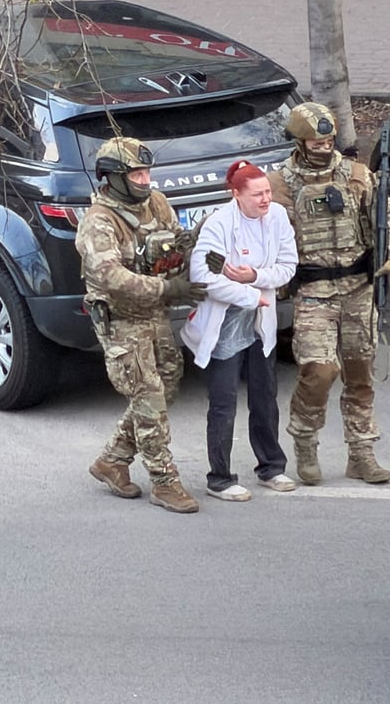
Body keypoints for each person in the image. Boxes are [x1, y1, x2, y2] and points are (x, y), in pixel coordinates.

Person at [267, 102, 390, 485]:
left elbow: (388, 217)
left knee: (360, 375)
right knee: (319, 371)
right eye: (316, 142)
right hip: (314, 292)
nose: (324, 147)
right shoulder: (280, 184)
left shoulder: (357, 175)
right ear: (299, 142)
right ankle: (305, 443)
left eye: (328, 141)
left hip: (358, 288)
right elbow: (266, 234)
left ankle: (361, 454)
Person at [75, 136, 207, 514]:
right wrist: (167, 288)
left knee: (167, 386)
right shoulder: (99, 221)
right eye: (136, 174)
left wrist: (193, 247)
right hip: (121, 320)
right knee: (148, 399)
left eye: (147, 172)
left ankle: (112, 460)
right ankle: (165, 482)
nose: (145, 180)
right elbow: (111, 276)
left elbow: (173, 244)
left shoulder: (157, 203)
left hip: (155, 314)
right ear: (115, 177)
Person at [181, 160, 299, 501]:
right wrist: (249, 295)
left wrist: (254, 277)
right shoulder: (218, 225)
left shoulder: (277, 217)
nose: (266, 199)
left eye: (268, 192)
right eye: (257, 194)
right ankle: (219, 478)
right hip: (225, 323)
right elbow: (204, 277)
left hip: (261, 320)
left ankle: (271, 467)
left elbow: (288, 265)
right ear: (236, 194)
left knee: (265, 396)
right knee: (224, 402)